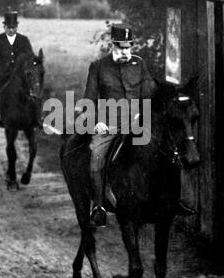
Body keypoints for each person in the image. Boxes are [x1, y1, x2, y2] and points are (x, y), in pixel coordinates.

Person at [83, 23, 196, 227]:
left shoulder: (139, 64)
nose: (125, 51)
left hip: (138, 124)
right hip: (109, 126)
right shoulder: (99, 67)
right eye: (121, 47)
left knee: (169, 152)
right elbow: (89, 100)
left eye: (128, 47)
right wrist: (95, 122)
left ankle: (173, 201)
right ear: (112, 45)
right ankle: (99, 207)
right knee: (95, 160)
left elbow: (151, 93)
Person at [0, 11, 35, 129]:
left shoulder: (24, 40)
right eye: (9, 27)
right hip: (0, 74)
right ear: (4, 27)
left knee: (32, 91)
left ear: (17, 27)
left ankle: (35, 117)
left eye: (13, 27)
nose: (11, 30)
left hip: (19, 74)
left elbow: (30, 56)